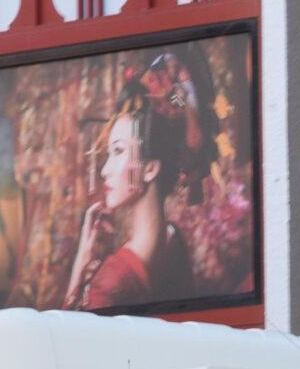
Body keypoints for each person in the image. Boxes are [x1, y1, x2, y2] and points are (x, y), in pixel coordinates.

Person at [60, 71, 203, 312]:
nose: (104, 170)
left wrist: (80, 266)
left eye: (118, 151)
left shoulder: (112, 282)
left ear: (150, 168)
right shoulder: (172, 239)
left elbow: (66, 335)